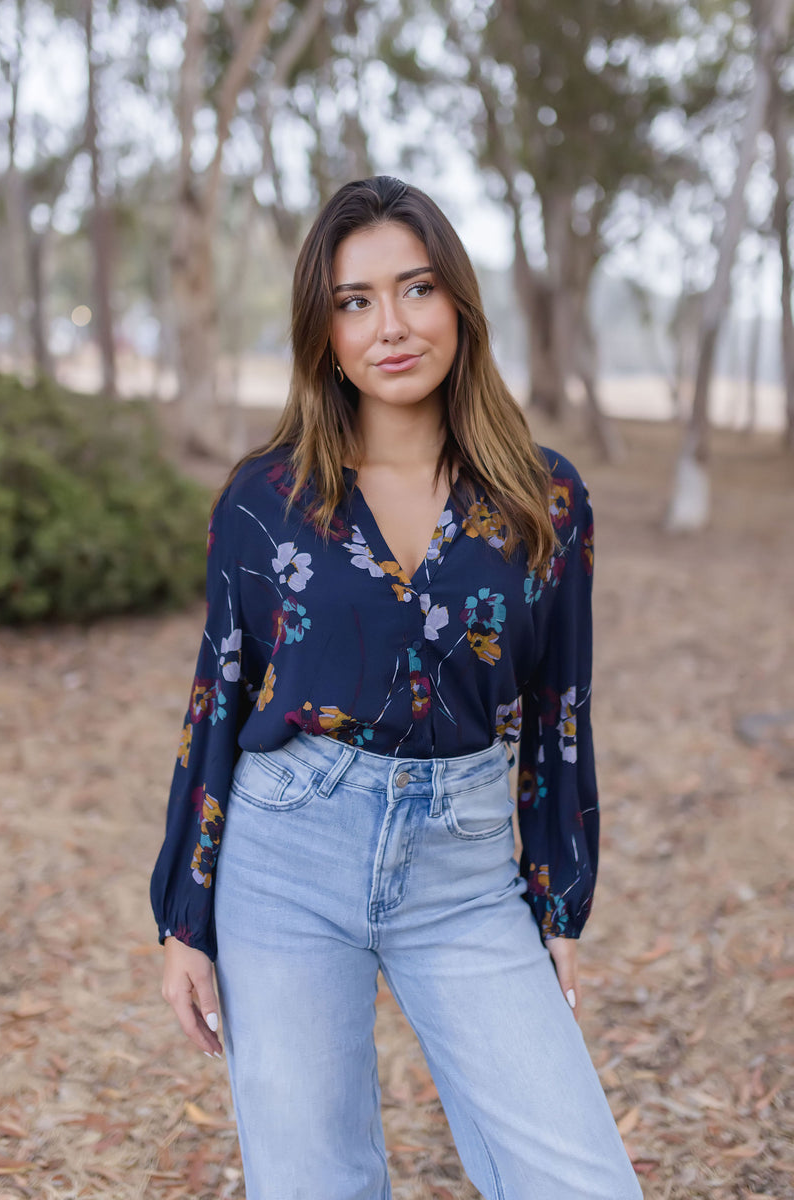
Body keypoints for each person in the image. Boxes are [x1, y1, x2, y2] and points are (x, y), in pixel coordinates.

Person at [150, 175, 642, 1200]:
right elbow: (218, 699)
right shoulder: (264, 499)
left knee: (581, 1181)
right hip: (284, 860)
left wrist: (555, 904)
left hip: (463, 876)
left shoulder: (541, 499)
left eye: (415, 289)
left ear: (458, 303)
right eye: (354, 300)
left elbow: (558, 709)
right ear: (323, 331)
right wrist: (184, 918)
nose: (390, 326)